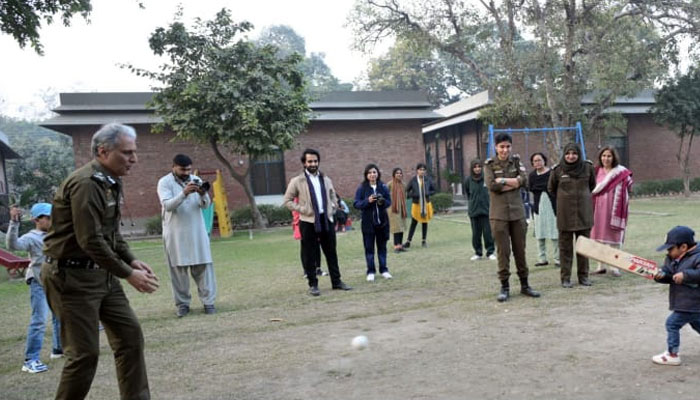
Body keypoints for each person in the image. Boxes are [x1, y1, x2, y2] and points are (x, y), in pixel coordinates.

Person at [41, 123, 159, 400]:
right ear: (103, 152)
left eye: (134, 152)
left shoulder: (110, 182)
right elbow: (90, 240)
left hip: (101, 276)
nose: (134, 159)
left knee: (129, 338)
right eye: (127, 153)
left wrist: (132, 259)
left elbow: (111, 234)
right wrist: (127, 273)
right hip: (71, 278)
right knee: (83, 355)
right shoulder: (86, 184)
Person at [283, 148, 352, 296]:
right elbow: (287, 201)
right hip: (308, 221)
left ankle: (337, 281)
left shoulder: (326, 179)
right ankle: (313, 285)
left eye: (315, 161)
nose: (313, 163)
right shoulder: (297, 181)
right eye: (310, 161)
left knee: (331, 252)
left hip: (326, 219)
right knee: (310, 254)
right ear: (304, 163)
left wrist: (333, 206)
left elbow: (333, 195)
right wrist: (303, 209)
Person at [157, 154, 218, 317]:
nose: (187, 173)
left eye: (189, 169)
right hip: (175, 233)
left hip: (197, 231)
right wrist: (184, 193)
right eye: (183, 169)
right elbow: (168, 206)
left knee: (204, 267)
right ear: (174, 167)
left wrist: (202, 193)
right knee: (178, 271)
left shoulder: (195, 179)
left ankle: (208, 302)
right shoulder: (164, 182)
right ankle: (183, 304)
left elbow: (205, 206)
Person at [6, 203, 62, 373]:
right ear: (36, 220)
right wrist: (14, 222)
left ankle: (58, 350)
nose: (52, 220)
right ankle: (30, 360)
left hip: (55, 282)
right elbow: (13, 245)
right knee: (39, 320)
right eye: (48, 217)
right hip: (38, 282)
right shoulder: (31, 237)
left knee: (59, 316)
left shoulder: (55, 234)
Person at [484, 133, 540, 302]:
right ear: (496, 147)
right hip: (499, 215)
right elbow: (492, 185)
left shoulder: (516, 162)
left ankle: (525, 285)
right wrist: (512, 183)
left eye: (507, 146)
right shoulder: (489, 165)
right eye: (501, 146)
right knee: (503, 252)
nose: (505, 150)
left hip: (517, 214)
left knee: (520, 251)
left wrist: (503, 180)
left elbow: (523, 180)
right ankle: (504, 287)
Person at [548, 143, 596, 288]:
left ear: (578, 154)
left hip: (583, 213)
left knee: (584, 248)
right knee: (565, 249)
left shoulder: (587, 168)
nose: (571, 156)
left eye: (574, 153)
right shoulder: (557, 170)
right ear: (564, 154)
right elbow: (551, 188)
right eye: (568, 153)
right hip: (565, 215)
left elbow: (592, 185)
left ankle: (584, 277)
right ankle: (565, 278)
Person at [652, 226, 700, 366]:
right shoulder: (672, 258)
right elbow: (669, 274)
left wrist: (686, 275)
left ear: (683, 247)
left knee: (672, 324)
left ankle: (672, 354)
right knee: (697, 324)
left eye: (670, 248)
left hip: (692, 301)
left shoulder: (697, 256)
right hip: (684, 302)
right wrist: (660, 275)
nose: (668, 252)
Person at [591, 146, 633, 277]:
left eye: (609, 156)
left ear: (614, 157)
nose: (606, 158)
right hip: (597, 208)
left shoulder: (621, 172)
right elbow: (591, 188)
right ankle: (600, 266)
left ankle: (614, 266)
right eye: (604, 156)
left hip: (614, 209)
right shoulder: (596, 171)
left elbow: (629, 185)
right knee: (598, 238)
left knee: (614, 237)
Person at [354, 164, 393, 281]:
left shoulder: (383, 187)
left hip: (382, 223)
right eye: (370, 172)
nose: (372, 175)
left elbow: (389, 202)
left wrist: (382, 201)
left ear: (378, 174)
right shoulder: (362, 188)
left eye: (374, 172)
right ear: (366, 175)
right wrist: (368, 200)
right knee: (369, 248)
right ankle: (370, 271)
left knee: (382, 247)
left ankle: (384, 270)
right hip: (368, 224)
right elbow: (356, 204)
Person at [528, 152, 559, 267]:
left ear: (544, 160)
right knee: (539, 234)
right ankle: (542, 259)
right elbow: (531, 188)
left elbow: (555, 187)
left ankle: (557, 259)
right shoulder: (532, 175)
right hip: (538, 206)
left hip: (552, 206)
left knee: (555, 233)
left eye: (539, 160)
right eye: (535, 161)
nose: (537, 163)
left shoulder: (552, 173)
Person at [464, 158, 495, 261]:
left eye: (479, 167)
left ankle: (490, 252)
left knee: (488, 233)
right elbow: (468, 194)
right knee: (476, 234)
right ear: (472, 169)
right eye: (475, 167)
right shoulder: (468, 180)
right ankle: (478, 253)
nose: (477, 169)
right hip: (474, 211)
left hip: (486, 210)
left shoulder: (487, 178)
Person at [292, 197, 326, 278]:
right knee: (305, 247)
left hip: (315, 221)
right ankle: (306, 270)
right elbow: (295, 210)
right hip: (303, 222)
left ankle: (318, 268)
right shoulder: (298, 196)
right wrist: (297, 222)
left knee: (317, 245)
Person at [404, 163, 436, 248]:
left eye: (423, 170)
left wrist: (427, 193)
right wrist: (415, 194)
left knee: (425, 222)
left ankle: (424, 241)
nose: (422, 171)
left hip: (426, 204)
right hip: (417, 204)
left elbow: (433, 190)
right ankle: (408, 241)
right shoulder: (413, 180)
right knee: (414, 223)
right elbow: (407, 191)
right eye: (420, 169)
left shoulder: (428, 180)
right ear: (417, 171)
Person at [387, 168, 408, 253]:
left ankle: (400, 245)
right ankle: (396, 246)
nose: (399, 175)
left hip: (402, 209)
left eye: (400, 173)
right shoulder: (389, 184)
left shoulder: (403, 184)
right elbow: (385, 195)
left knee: (401, 227)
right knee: (396, 227)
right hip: (393, 209)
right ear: (393, 175)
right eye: (397, 173)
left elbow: (405, 195)